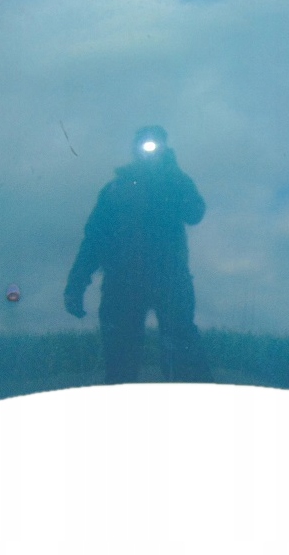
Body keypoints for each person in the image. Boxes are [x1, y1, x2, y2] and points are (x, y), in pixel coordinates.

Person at [64, 126, 209, 383]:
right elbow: (94, 240)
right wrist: (75, 285)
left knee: (182, 354)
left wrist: (173, 171)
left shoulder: (174, 181)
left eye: (156, 144)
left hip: (170, 280)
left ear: (165, 148)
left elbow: (195, 213)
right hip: (123, 283)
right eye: (145, 143)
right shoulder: (116, 189)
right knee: (120, 360)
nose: (150, 150)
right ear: (135, 149)